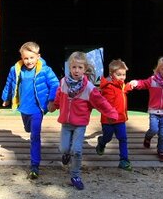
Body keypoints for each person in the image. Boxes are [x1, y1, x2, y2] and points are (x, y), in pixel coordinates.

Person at [47, 51, 118, 190]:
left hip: (80, 124)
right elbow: (58, 97)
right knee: (64, 148)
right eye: (74, 67)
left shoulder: (89, 88)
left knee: (77, 150)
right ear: (69, 68)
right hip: (66, 124)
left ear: (85, 69)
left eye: (80, 68)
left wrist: (112, 113)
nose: (76, 70)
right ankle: (66, 154)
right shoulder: (63, 83)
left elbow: (101, 102)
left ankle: (75, 175)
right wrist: (54, 106)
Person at [1, 41, 60, 180]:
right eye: (26, 58)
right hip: (24, 107)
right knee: (28, 129)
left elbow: (55, 84)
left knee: (35, 136)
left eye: (31, 58)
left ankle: (35, 166)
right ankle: (29, 130)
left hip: (38, 108)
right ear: (21, 57)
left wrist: (51, 100)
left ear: (38, 56)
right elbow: (10, 83)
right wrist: (6, 97)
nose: (29, 61)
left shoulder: (45, 70)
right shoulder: (16, 69)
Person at [95, 59, 136, 171]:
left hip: (120, 119)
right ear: (111, 74)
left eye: (124, 74)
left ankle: (124, 160)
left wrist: (129, 86)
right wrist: (111, 115)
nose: (122, 77)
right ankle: (102, 142)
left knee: (123, 138)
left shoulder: (121, 85)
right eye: (119, 75)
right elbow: (107, 104)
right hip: (108, 120)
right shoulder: (108, 87)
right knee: (107, 137)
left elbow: (122, 91)